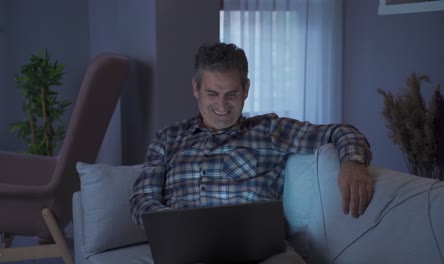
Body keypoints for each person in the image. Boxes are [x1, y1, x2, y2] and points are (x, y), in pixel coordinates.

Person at [129, 42, 373, 263]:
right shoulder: (168, 139)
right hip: (187, 254)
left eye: (232, 94)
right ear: (196, 88)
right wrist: (175, 225)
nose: (222, 106)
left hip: (260, 256)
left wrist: (353, 162)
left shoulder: (270, 130)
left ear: (246, 89)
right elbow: (141, 200)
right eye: (212, 94)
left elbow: (342, 132)